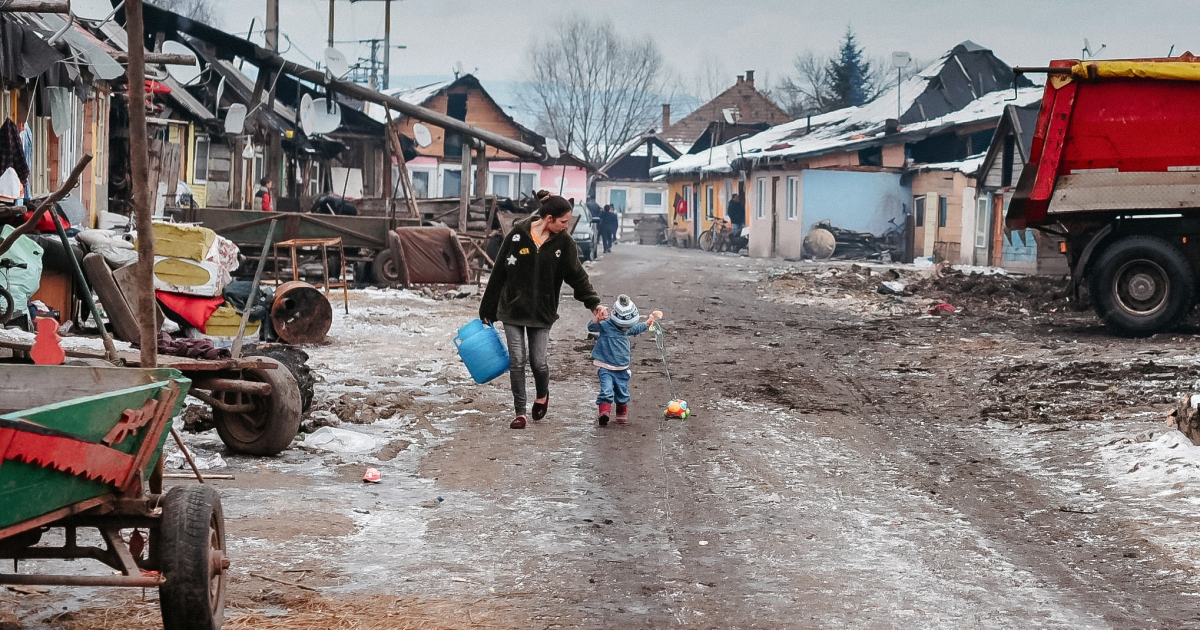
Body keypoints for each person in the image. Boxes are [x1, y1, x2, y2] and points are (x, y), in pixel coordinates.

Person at [480, 190, 609, 429]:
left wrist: (594, 303)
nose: (566, 226)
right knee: (517, 360)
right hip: (513, 308)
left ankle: (542, 395)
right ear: (549, 218)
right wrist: (487, 308)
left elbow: (577, 276)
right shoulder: (518, 235)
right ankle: (520, 413)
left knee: (538, 362)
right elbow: (499, 271)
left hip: (542, 310)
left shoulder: (564, 242)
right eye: (563, 221)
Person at [587, 295, 661, 426]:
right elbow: (591, 328)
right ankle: (604, 412)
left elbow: (635, 329)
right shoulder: (606, 325)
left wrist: (646, 324)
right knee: (606, 390)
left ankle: (621, 412)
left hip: (622, 367)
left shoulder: (627, 328)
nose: (626, 329)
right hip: (605, 366)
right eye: (625, 327)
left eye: (628, 327)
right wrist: (596, 320)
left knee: (622, 392)